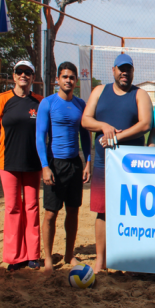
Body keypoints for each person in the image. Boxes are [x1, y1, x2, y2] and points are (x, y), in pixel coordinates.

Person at [81, 54, 153, 273]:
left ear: (132, 72)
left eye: (128, 69)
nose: (124, 73)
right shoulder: (99, 91)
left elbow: (145, 124)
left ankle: (131, 260)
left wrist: (116, 137)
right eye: (121, 69)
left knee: (134, 212)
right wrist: (104, 126)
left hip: (132, 166)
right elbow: (85, 120)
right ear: (113, 70)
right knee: (102, 212)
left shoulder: (140, 94)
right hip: (104, 164)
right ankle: (100, 262)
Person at [0, 60, 43, 271]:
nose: (24, 75)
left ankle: (33, 255)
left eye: (28, 72)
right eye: (20, 71)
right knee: (12, 208)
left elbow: (46, 130)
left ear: (33, 77)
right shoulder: (2, 99)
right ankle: (15, 256)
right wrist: (6, 140)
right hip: (8, 161)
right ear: (13, 75)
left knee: (32, 207)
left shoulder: (39, 101)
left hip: (32, 162)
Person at [35, 62, 91, 272]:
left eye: (72, 77)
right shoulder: (47, 103)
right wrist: (45, 166)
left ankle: (69, 254)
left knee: (73, 211)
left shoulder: (80, 104)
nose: (68, 80)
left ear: (75, 81)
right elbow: (40, 136)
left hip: (74, 164)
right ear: (57, 79)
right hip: (54, 164)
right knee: (50, 213)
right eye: (65, 76)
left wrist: (87, 162)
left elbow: (85, 136)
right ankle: (48, 257)